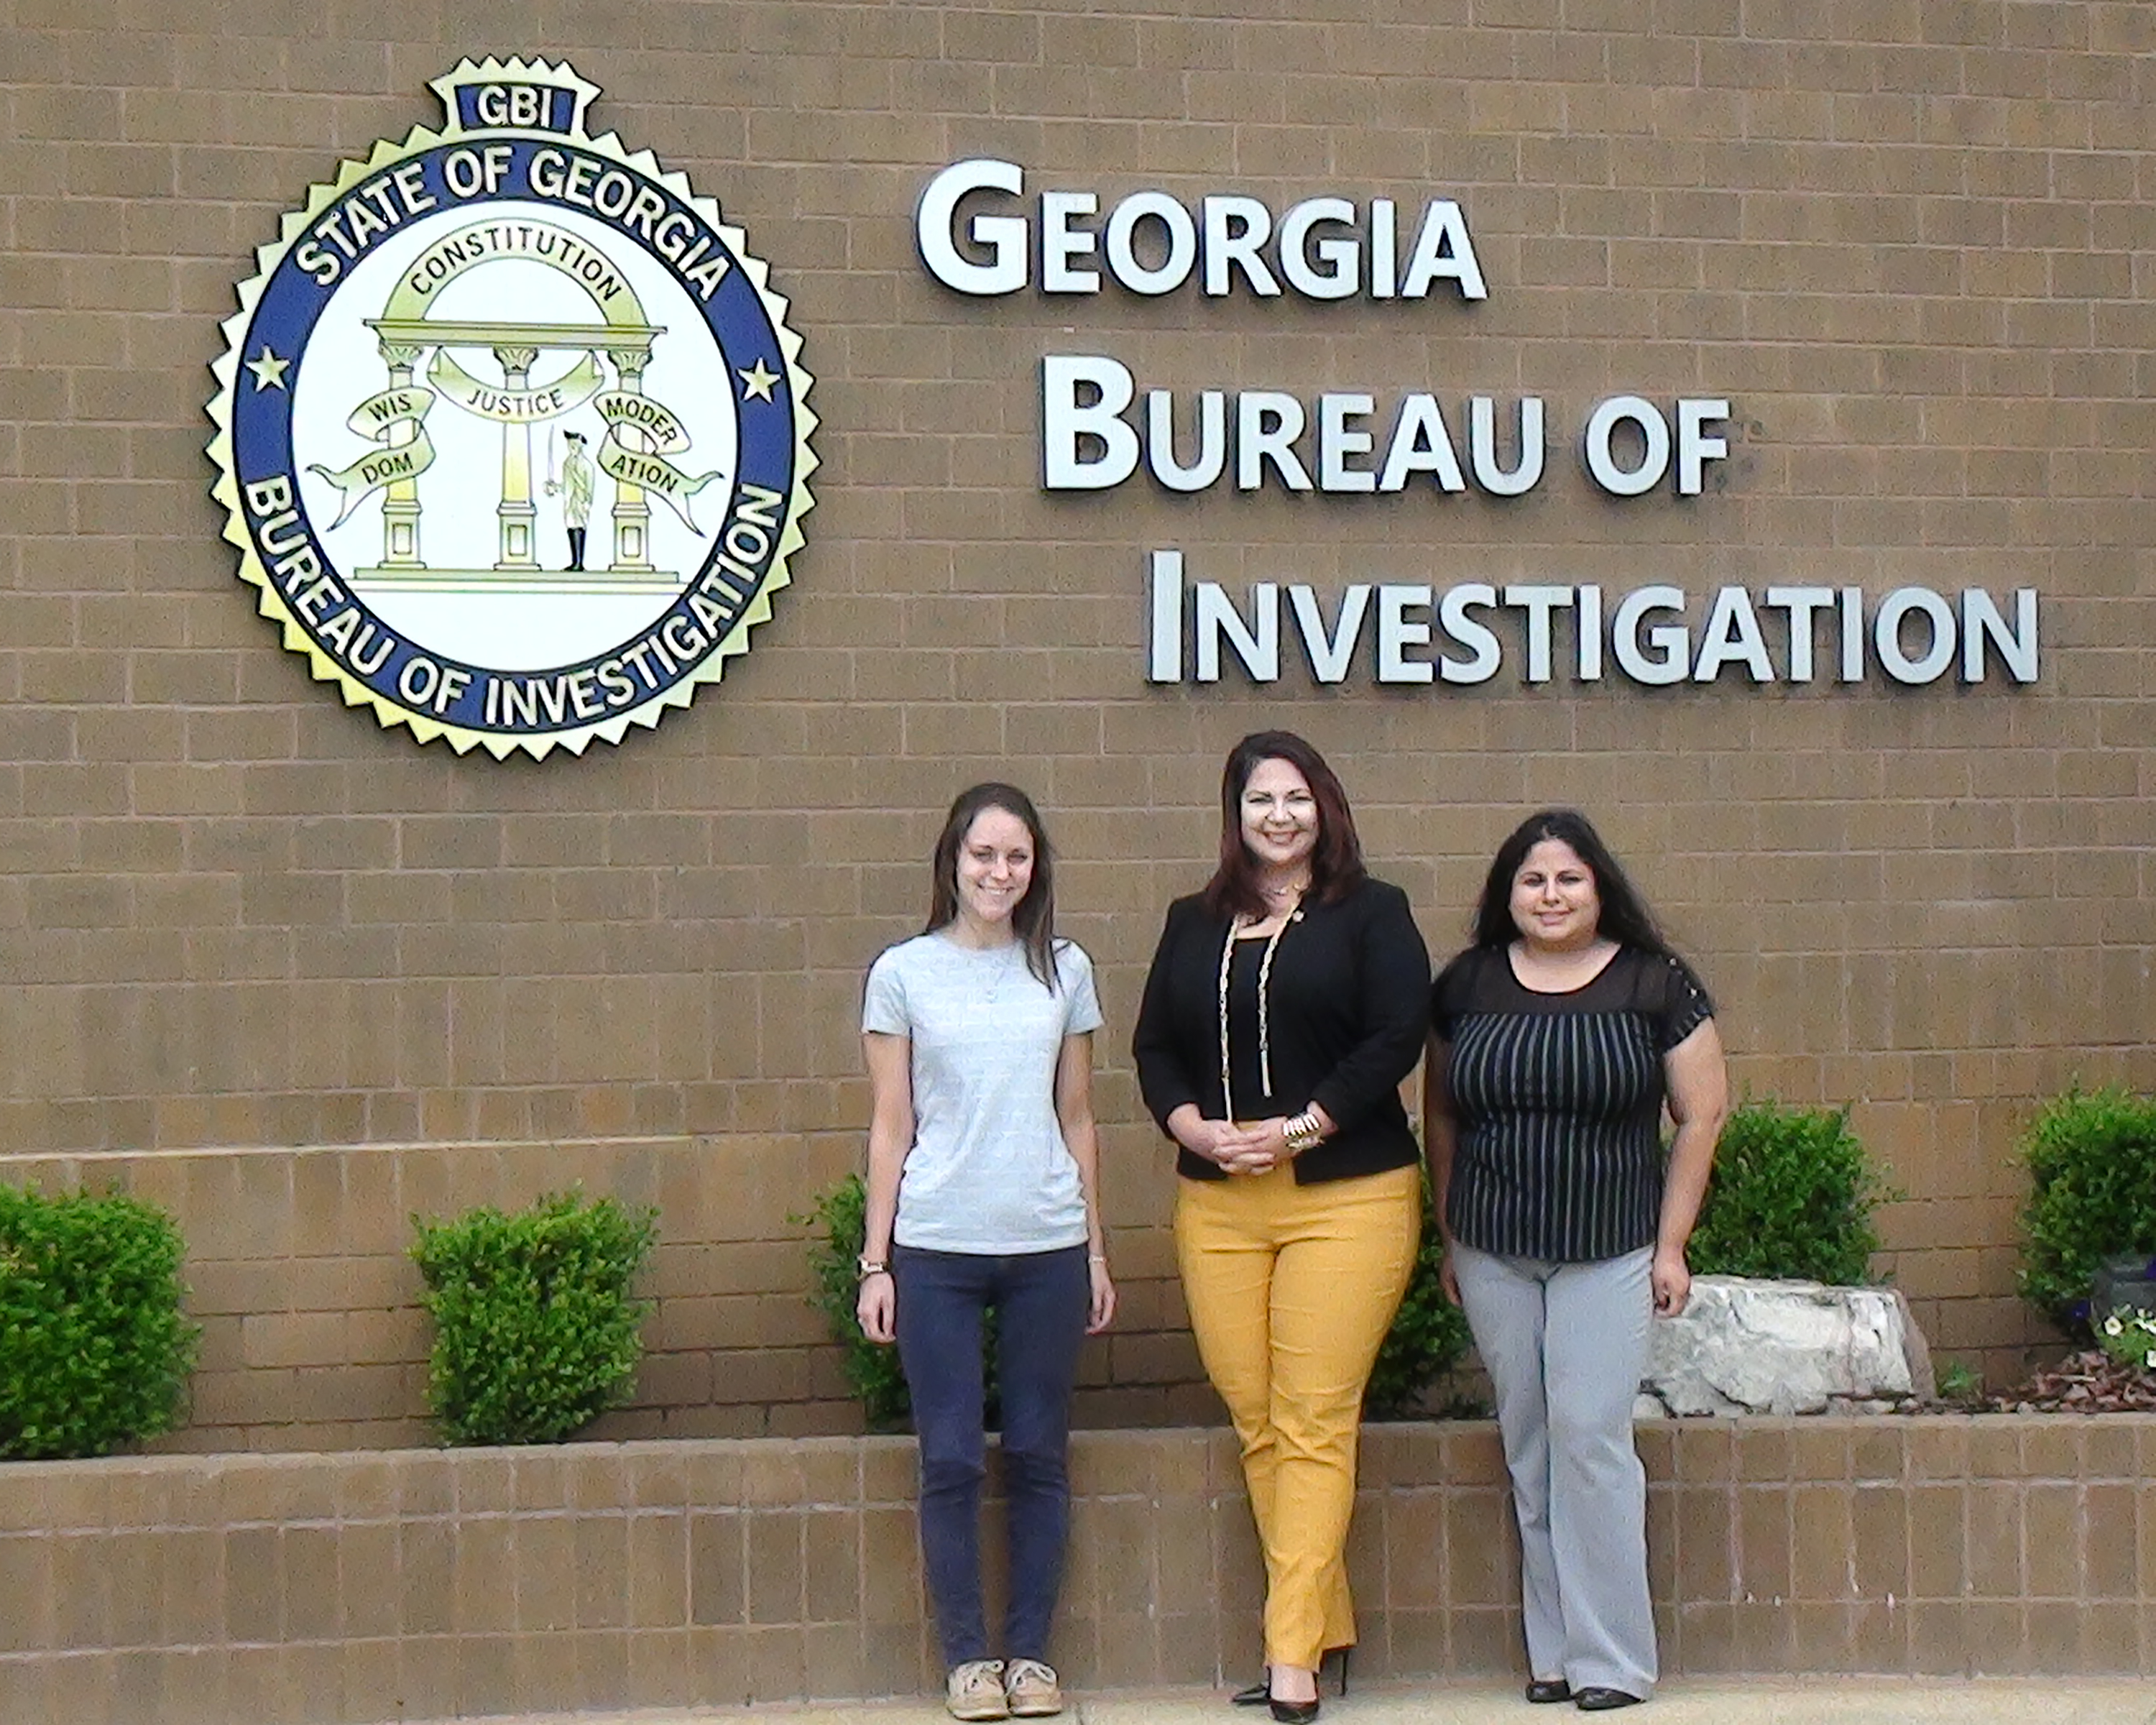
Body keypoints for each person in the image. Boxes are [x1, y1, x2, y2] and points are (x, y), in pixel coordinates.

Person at [1132, 731, 1429, 1724]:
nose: (1279, 816)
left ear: (1325, 806)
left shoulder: (1372, 914)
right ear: (1236, 813)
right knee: (1259, 1418)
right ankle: (1319, 1617)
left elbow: (1396, 1034)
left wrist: (1300, 1128)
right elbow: (1154, 1045)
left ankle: (1290, 1655)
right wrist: (1193, 1128)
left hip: (1345, 1193)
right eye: (1260, 799)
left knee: (1310, 1417)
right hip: (1217, 1199)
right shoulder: (1191, 920)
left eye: (1295, 797)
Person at [1424, 810, 1728, 1713]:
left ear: (1601, 888)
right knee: (1529, 1446)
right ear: (1507, 895)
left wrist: (1671, 1245)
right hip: (1493, 1248)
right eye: (1532, 881)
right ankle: (1551, 1654)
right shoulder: (1468, 985)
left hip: (1612, 1247)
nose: (1550, 896)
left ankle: (1613, 1661)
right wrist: (1449, 1236)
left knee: (1590, 1438)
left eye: (1568, 880)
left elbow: (1701, 1115)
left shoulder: (1655, 983)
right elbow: (1440, 1114)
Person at [856, 783, 1116, 1722]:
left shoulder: (1066, 971)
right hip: (937, 1250)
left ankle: (1031, 1657)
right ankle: (969, 1659)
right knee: (954, 1459)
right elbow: (891, 1127)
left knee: (1041, 1454)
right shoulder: (903, 973)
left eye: (1015, 857)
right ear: (951, 862)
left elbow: (1078, 1116)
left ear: (1035, 866)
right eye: (982, 856)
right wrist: (875, 1262)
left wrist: (1093, 1249)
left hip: (1046, 1243)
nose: (998, 873)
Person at [545, 428, 595, 571]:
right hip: (569, 503)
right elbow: (566, 486)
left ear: (580, 447)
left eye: (574, 446)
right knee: (571, 527)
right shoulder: (567, 463)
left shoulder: (587, 465)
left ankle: (579, 563)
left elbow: (589, 485)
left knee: (579, 527)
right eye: (570, 446)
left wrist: (588, 501)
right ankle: (575, 562)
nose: (571, 449)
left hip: (580, 501)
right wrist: (554, 488)